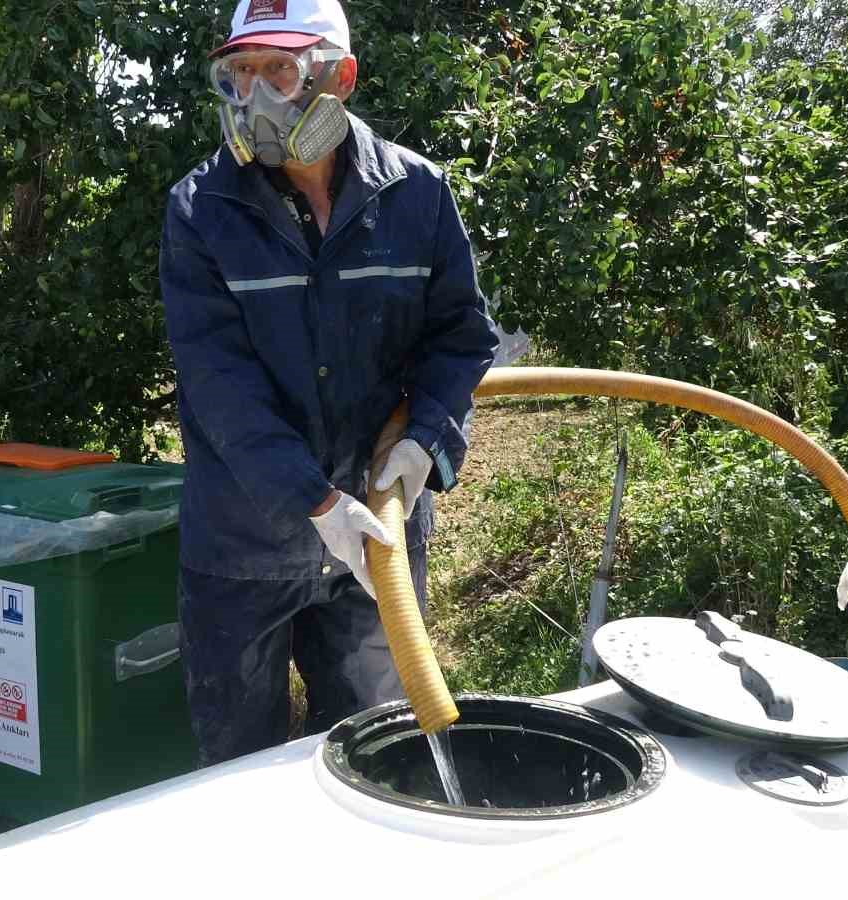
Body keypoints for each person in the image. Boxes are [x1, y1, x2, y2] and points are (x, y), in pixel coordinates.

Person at [159, 0, 498, 767]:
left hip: (376, 537)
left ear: (336, 77)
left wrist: (425, 442)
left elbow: (460, 335)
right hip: (244, 545)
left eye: (278, 70)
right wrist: (313, 501)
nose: (255, 99)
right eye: (240, 74)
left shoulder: (417, 194)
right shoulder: (200, 209)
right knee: (236, 765)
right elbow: (219, 385)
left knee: (376, 750)